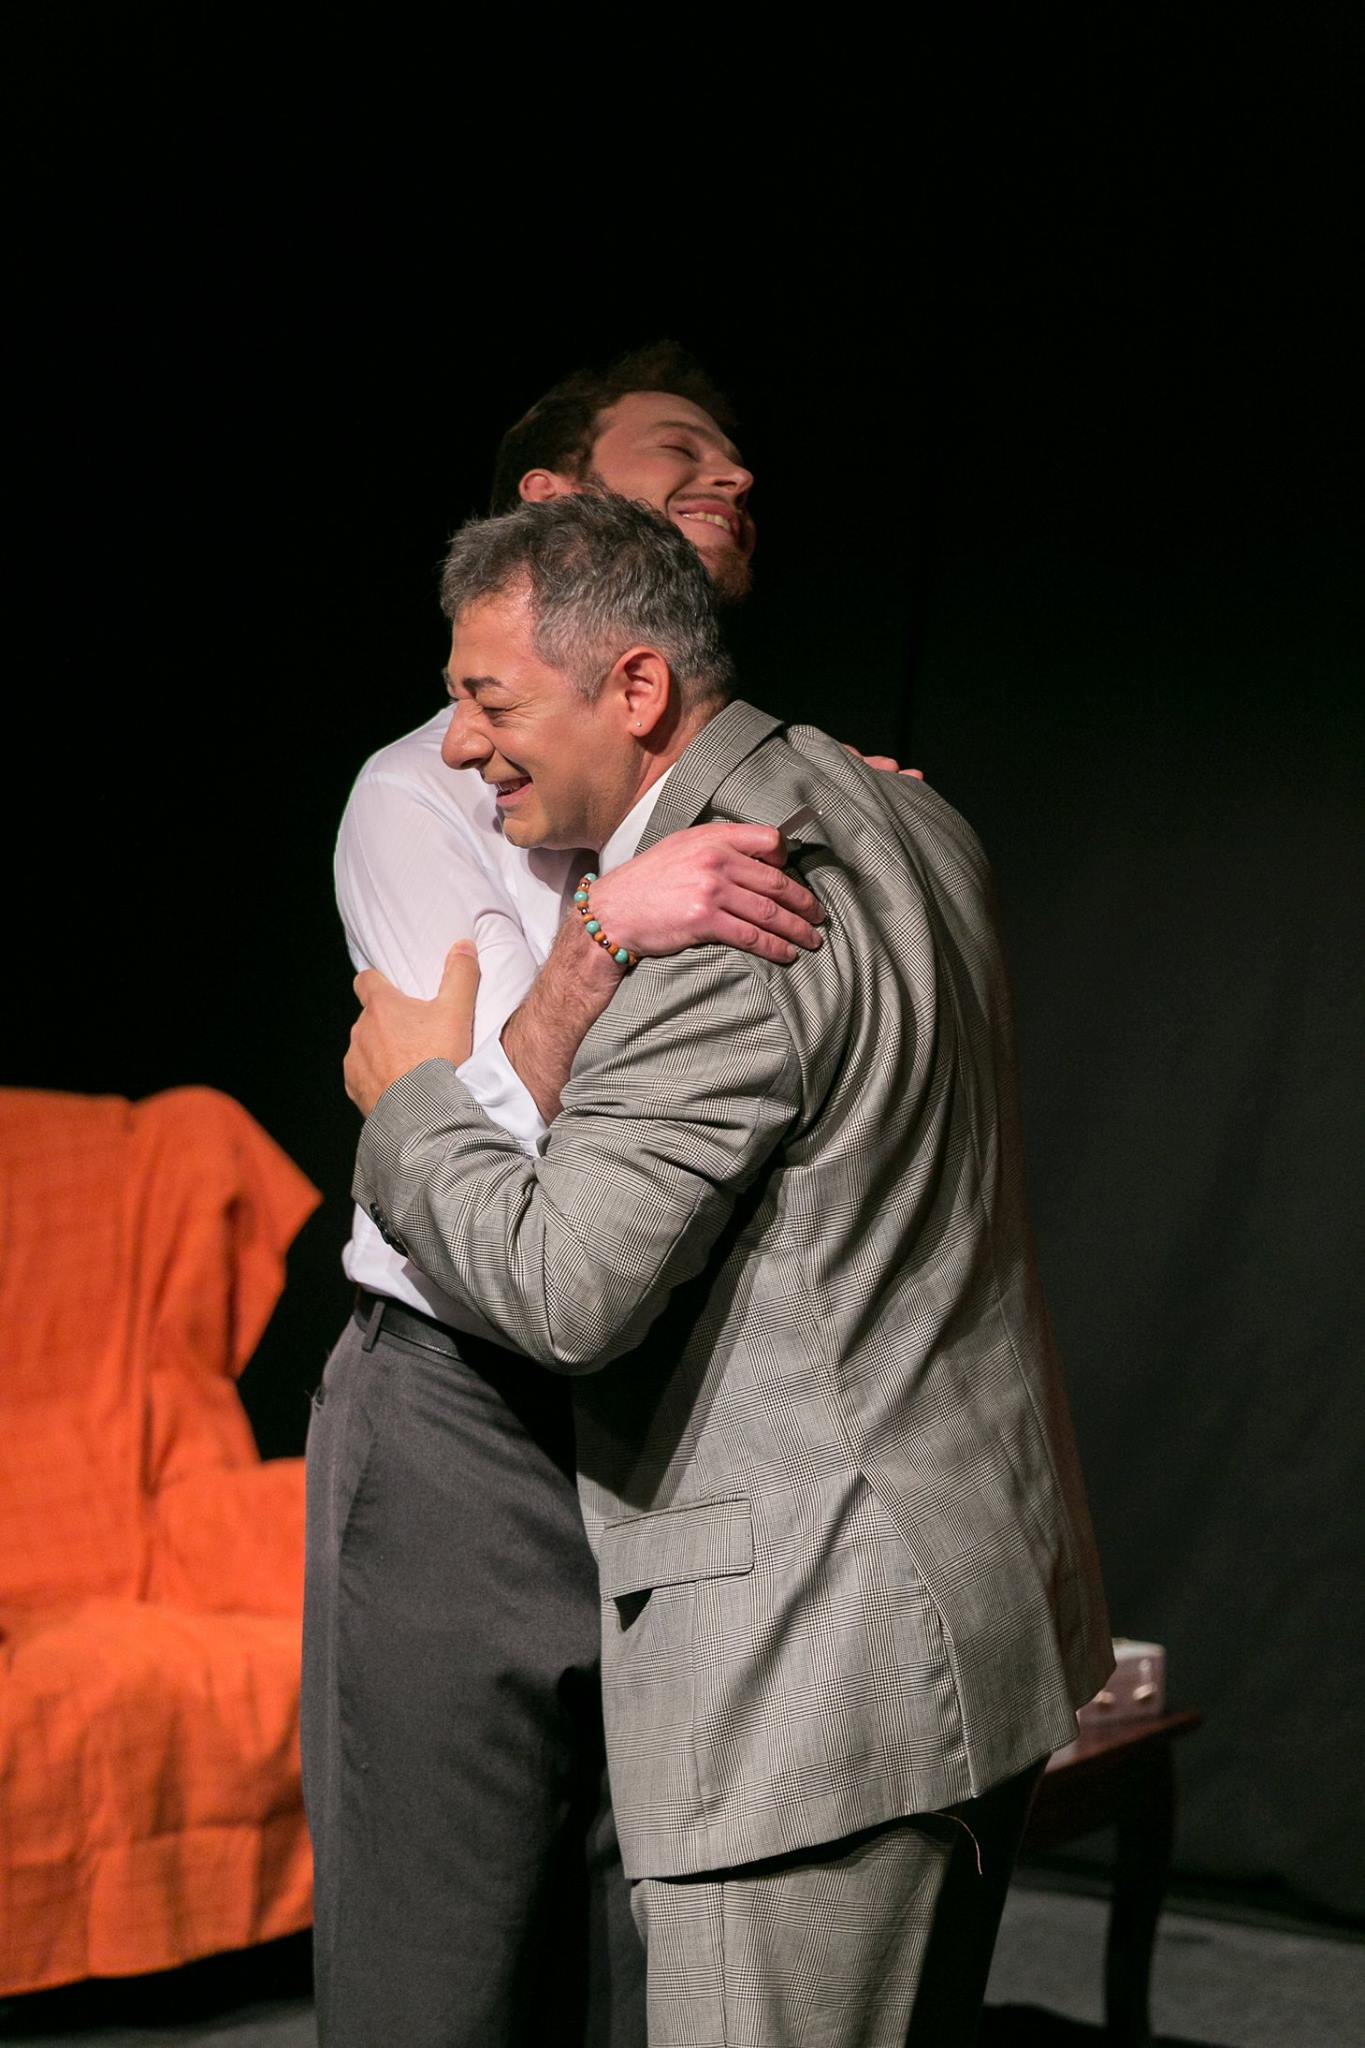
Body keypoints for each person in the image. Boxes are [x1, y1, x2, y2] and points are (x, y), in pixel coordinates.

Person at [345, 492, 1113, 2046]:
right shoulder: (901, 809)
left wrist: (411, 1098)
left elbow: (563, 1291)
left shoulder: (720, 926)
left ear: (634, 688)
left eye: (490, 701)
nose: (460, 746)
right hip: (981, 1614)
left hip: (816, 1690)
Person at [304, 346, 829, 2048]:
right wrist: (605, 931)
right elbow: (455, 1150)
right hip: (464, 1409)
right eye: (681, 452)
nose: (731, 478)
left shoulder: (752, 797)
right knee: (439, 1967)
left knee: (636, 1946)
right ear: (557, 507)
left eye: (738, 458)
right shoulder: (421, 796)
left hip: (664, 1411)